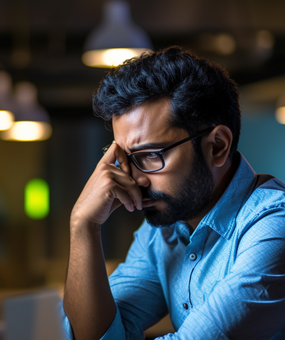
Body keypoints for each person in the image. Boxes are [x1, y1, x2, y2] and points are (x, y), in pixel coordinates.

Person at [60, 46, 285, 340]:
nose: (133, 178)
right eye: (124, 158)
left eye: (150, 155)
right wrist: (82, 226)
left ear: (217, 146)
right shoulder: (162, 232)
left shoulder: (274, 228)